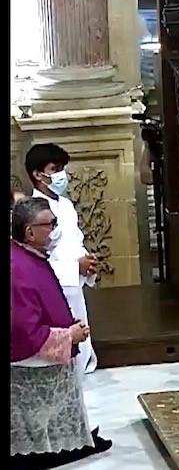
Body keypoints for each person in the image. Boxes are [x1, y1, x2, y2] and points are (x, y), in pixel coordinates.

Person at [11, 197, 112, 469]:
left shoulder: (30, 256)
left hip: (55, 343)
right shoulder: (17, 267)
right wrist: (68, 336)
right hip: (33, 360)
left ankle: (71, 442)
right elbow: (22, 327)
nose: (55, 229)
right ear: (30, 232)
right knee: (41, 414)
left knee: (66, 402)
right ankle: (46, 452)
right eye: (50, 224)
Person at [25, 144, 98, 375]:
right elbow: (32, 259)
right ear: (38, 174)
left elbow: (74, 240)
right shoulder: (31, 212)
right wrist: (74, 267)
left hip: (74, 283)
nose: (61, 175)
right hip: (52, 287)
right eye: (55, 169)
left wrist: (87, 262)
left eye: (62, 169)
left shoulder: (65, 205)